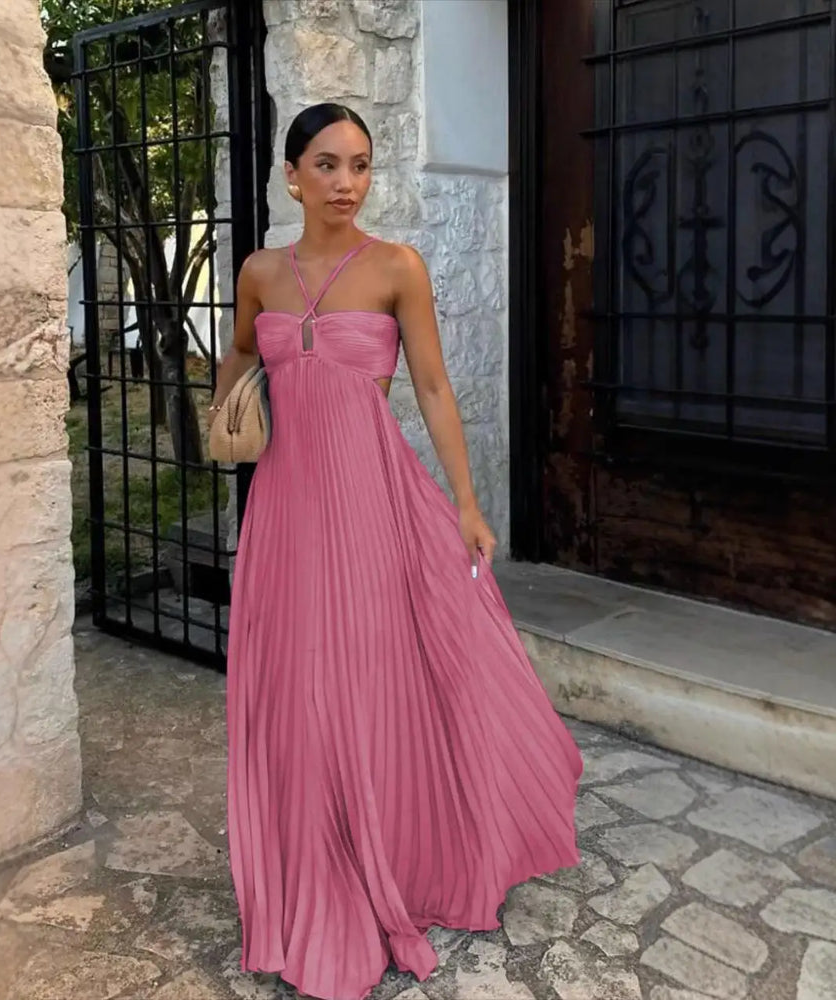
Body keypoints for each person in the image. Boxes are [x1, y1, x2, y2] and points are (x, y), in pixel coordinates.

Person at [207, 103, 583, 1000]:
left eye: (362, 165)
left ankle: (390, 850)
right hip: (285, 511)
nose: (347, 182)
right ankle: (310, 864)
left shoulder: (395, 267)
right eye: (328, 164)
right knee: (293, 687)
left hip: (373, 501)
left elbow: (434, 388)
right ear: (290, 174)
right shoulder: (259, 272)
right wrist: (226, 418)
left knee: (366, 679)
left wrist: (464, 500)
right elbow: (233, 364)